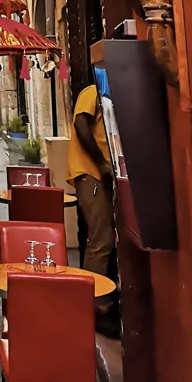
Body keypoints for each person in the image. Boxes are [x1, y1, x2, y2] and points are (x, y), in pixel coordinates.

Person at [67, 76, 118, 334]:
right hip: (91, 174)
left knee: (102, 239)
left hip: (102, 176)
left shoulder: (109, 96)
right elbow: (80, 122)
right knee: (102, 240)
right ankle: (97, 306)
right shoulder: (92, 91)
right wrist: (101, 163)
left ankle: (96, 299)